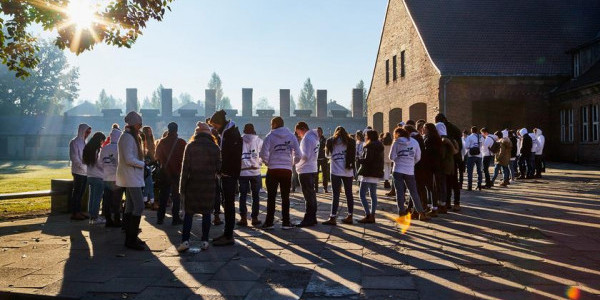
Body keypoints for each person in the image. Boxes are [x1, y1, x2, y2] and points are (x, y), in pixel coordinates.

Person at [177, 122, 221, 253]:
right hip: (209, 185)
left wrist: (182, 188)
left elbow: (185, 170)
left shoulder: (190, 146)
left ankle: (185, 240)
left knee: (189, 214)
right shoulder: (215, 148)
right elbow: (219, 168)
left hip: (193, 184)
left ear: (196, 133)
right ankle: (205, 241)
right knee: (207, 214)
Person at [259, 117, 301, 230]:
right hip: (286, 170)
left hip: (273, 169)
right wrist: (290, 163)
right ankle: (286, 222)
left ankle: (269, 222)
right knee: (285, 197)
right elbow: (299, 154)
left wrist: (268, 162)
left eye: (271, 123)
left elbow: (262, 154)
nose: (270, 126)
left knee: (271, 197)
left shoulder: (270, 136)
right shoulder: (291, 136)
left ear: (275, 124)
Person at [210, 110, 243, 246]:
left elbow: (228, 155)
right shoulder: (227, 133)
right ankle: (227, 233)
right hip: (228, 172)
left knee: (229, 204)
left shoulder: (230, 134)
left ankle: (229, 235)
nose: (214, 128)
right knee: (227, 203)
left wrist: (222, 170)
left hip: (228, 173)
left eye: (214, 125)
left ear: (219, 123)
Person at [117, 111, 146, 251]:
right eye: (139, 125)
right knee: (139, 206)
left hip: (130, 175)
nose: (140, 127)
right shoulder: (128, 138)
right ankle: (131, 238)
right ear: (134, 124)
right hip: (131, 176)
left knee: (129, 206)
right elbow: (129, 159)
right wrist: (143, 164)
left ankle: (130, 237)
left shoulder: (128, 136)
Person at [389, 127, 430, 221]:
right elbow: (418, 157)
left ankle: (402, 213)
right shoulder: (414, 142)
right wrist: (411, 162)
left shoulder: (396, 142)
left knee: (399, 193)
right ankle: (421, 213)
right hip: (410, 170)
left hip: (398, 170)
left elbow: (391, 156)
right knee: (414, 192)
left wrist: (398, 160)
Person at [322, 126, 356, 226]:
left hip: (335, 171)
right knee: (349, 194)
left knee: (335, 195)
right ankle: (350, 216)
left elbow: (327, 156)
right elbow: (354, 155)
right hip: (347, 171)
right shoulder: (350, 142)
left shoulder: (331, 141)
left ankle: (332, 217)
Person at [155, 122, 186, 226]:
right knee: (176, 197)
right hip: (177, 173)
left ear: (168, 129)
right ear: (176, 130)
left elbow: (157, 157)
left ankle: (160, 218)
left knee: (163, 196)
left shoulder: (162, 142)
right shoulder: (181, 143)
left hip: (165, 173)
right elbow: (185, 159)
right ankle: (175, 218)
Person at [294, 121, 320, 227]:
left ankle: (308, 218)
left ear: (302, 129)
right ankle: (312, 217)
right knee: (312, 195)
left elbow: (304, 156)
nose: (298, 135)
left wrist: (296, 162)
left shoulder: (306, 139)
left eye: (298, 132)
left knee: (308, 196)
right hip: (313, 168)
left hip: (305, 169)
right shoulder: (315, 138)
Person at [238, 123, 263, 227]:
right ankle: (255, 218)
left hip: (243, 171)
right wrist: (258, 163)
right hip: (255, 171)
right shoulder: (259, 141)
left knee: (242, 196)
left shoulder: (239, 140)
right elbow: (263, 154)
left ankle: (243, 218)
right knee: (255, 196)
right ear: (253, 130)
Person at [357, 130, 384, 224]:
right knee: (373, 195)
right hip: (376, 172)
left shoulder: (369, 146)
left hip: (368, 172)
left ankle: (368, 215)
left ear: (369, 137)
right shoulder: (379, 146)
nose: (364, 136)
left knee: (361, 194)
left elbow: (368, 159)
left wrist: (358, 159)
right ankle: (372, 214)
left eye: (366, 135)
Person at [100, 127, 123, 228]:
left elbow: (101, 161)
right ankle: (117, 220)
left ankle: (108, 220)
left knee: (107, 200)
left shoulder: (105, 147)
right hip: (116, 178)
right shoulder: (119, 148)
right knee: (116, 201)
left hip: (106, 177)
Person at [83, 132, 107, 225]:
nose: (102, 143)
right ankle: (95, 217)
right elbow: (99, 163)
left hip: (90, 176)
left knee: (92, 198)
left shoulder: (88, 149)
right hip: (98, 176)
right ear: (100, 140)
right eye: (102, 141)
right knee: (97, 198)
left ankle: (92, 216)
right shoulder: (98, 150)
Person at [69, 123, 91, 221]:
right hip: (78, 171)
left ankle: (79, 211)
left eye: (89, 133)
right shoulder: (74, 142)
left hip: (85, 171)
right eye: (87, 132)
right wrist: (83, 167)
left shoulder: (84, 142)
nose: (87, 134)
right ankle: (75, 213)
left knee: (81, 193)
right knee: (77, 193)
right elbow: (74, 157)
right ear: (82, 131)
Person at [436, 122, 459, 213]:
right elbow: (457, 151)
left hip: (444, 166)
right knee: (450, 185)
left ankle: (446, 203)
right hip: (452, 165)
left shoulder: (442, 140)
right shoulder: (452, 140)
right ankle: (451, 203)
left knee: (444, 185)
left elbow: (443, 154)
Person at [423, 123, 443, 216]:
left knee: (431, 187)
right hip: (435, 164)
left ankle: (434, 208)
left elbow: (428, 151)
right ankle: (430, 205)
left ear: (428, 129)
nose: (423, 130)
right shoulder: (435, 137)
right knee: (430, 187)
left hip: (430, 165)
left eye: (424, 128)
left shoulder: (430, 138)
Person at [141, 126, 157, 210]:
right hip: (148, 163)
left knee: (148, 184)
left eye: (150, 131)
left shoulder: (148, 141)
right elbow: (150, 153)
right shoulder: (146, 142)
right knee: (149, 184)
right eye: (148, 131)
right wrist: (155, 160)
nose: (150, 132)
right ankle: (150, 201)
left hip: (149, 163)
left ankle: (148, 201)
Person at [464, 126, 484, 191]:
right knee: (479, 171)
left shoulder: (469, 137)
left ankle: (469, 186)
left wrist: (471, 147)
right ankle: (479, 185)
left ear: (471, 130)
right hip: (479, 155)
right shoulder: (481, 136)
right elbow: (483, 145)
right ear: (477, 130)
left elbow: (466, 146)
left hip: (471, 156)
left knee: (470, 171)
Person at [315, 127, 329, 193]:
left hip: (323, 158)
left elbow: (327, 148)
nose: (318, 133)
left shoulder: (325, 140)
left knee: (325, 174)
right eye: (317, 131)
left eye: (319, 131)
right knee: (316, 174)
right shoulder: (314, 139)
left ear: (322, 132)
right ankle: (316, 188)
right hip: (316, 159)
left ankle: (325, 188)